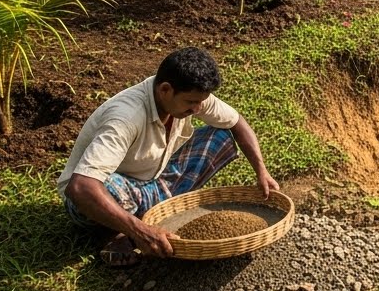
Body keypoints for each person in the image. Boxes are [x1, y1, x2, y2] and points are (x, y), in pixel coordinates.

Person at [59, 47, 279, 266]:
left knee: (219, 136)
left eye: (201, 101)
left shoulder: (193, 99)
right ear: (165, 89)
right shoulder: (126, 117)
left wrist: (262, 171)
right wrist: (141, 231)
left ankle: (150, 215)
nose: (198, 108)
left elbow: (237, 122)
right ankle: (114, 232)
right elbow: (80, 187)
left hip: (151, 181)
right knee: (109, 187)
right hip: (96, 198)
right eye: (191, 102)